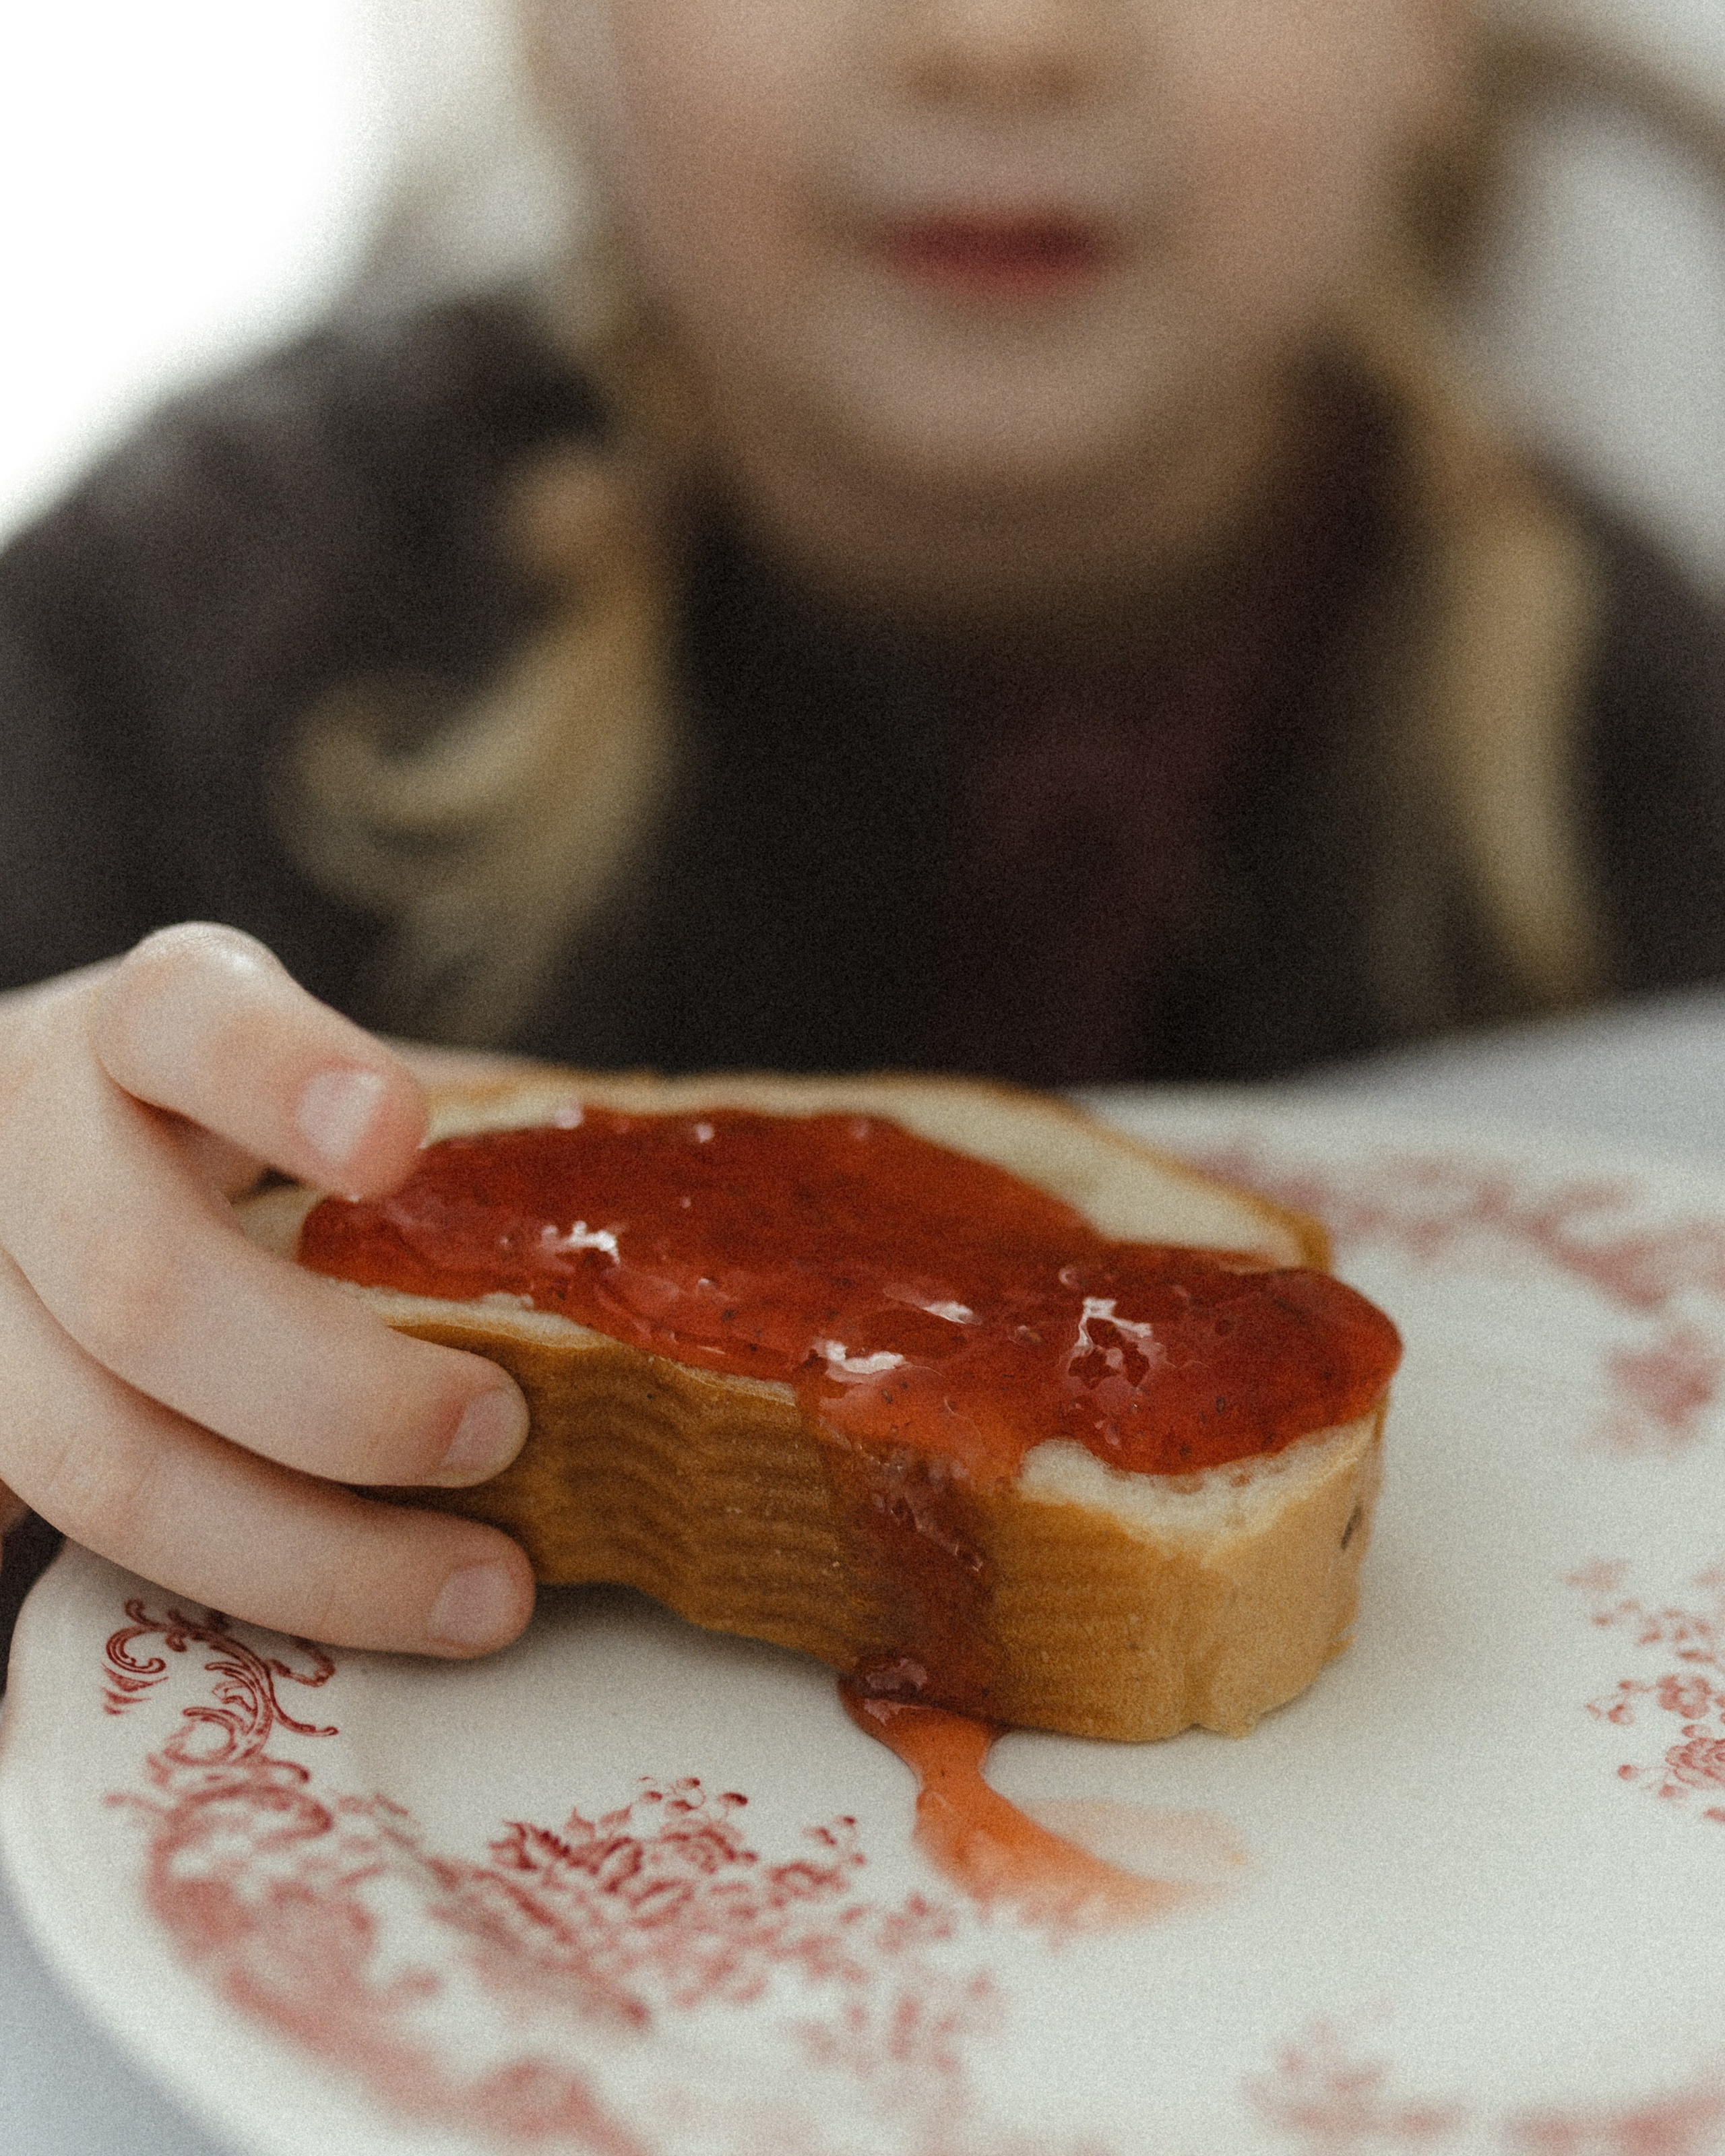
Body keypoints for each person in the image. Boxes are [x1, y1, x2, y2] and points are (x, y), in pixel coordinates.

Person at [0, 0, 1721, 1658]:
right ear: (548, 21)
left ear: (1428, 28)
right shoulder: (147, 660)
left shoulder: (1659, 755)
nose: (999, 33)